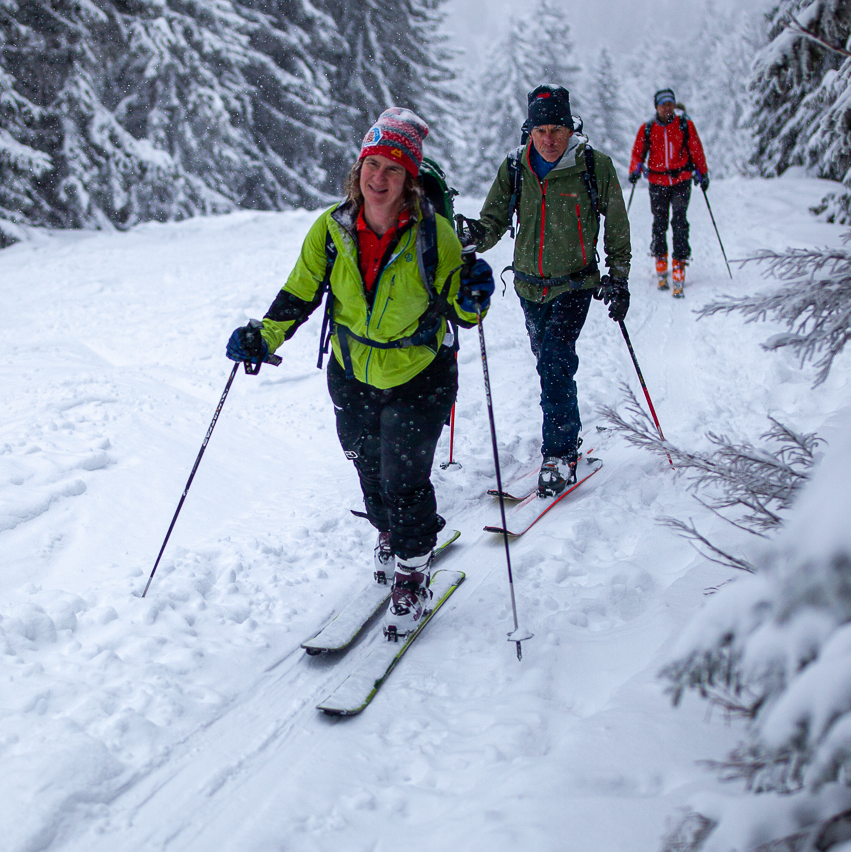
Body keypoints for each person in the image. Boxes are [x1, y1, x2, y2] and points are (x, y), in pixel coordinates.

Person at [225, 108, 493, 633]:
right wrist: (264, 335)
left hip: (420, 376)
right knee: (366, 464)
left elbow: (462, 311)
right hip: (352, 372)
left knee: (404, 477)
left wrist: (474, 295)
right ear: (358, 169)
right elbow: (301, 291)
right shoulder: (332, 229)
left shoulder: (432, 235)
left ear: (409, 179)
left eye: (393, 168)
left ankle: (413, 574)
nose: (379, 177)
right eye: (372, 164)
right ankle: (391, 533)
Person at [463, 85, 632, 497]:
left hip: (575, 283)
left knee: (555, 361)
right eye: (541, 130)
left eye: (557, 128)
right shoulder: (515, 167)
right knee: (549, 363)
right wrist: (467, 236)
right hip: (527, 286)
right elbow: (493, 222)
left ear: (570, 127)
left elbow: (617, 223)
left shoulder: (594, 165)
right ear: (530, 130)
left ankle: (557, 454)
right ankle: (568, 435)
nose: (549, 138)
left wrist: (619, 276)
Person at [628, 87, 709, 297]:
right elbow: (638, 153)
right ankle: (661, 259)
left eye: (670, 103)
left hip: (681, 179)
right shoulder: (647, 128)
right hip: (657, 181)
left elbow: (695, 149)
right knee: (660, 221)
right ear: (656, 107)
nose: (667, 107)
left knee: (680, 221)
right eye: (663, 104)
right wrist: (634, 169)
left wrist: (703, 172)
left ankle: (679, 261)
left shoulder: (684, 125)